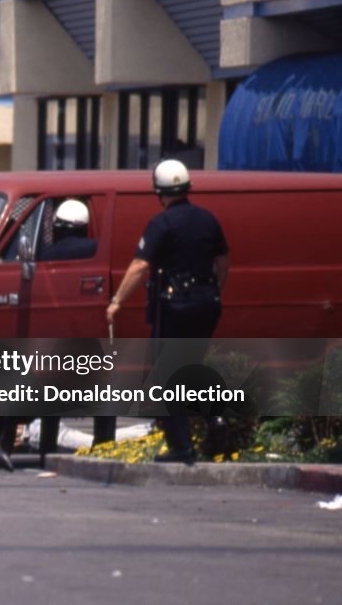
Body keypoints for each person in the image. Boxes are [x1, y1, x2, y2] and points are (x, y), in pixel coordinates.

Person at [106, 159, 229, 464]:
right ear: (187, 188)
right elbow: (222, 261)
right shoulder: (208, 219)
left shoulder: (161, 224)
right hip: (207, 303)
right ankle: (216, 421)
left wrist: (118, 300)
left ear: (160, 193)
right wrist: (214, 292)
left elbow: (140, 265)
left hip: (177, 306)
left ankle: (182, 448)